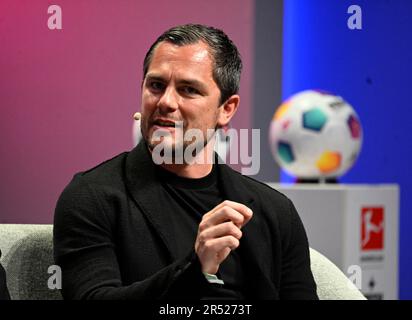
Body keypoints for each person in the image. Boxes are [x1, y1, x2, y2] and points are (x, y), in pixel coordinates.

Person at [53, 24, 318, 300]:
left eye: (188, 89)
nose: (166, 102)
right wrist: (195, 269)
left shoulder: (274, 211)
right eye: (156, 85)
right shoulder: (93, 197)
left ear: (226, 109)